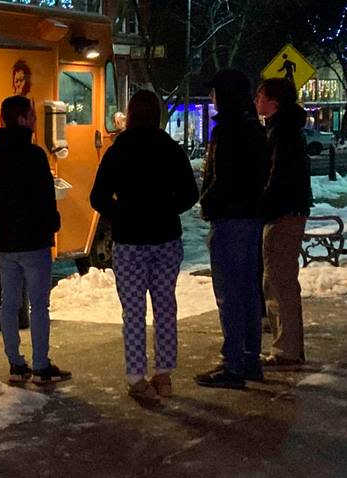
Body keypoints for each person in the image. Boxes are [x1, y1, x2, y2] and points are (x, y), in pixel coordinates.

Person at [90, 88, 199, 402]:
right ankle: (163, 375)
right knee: (165, 307)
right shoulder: (171, 149)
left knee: (134, 312)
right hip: (166, 239)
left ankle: (137, 377)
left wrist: (123, 212)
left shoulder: (118, 151)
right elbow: (191, 194)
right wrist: (166, 208)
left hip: (130, 242)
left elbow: (97, 197)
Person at [0, 95, 70, 385]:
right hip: (34, 242)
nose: (34, 119)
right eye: (30, 114)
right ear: (20, 119)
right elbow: (45, 199)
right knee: (38, 305)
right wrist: (51, 225)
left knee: (8, 303)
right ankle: (41, 365)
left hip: (5, 243)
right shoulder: (34, 156)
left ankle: (16, 364)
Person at [196, 68, 269, 389]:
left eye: (214, 92)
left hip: (230, 219)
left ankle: (234, 363)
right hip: (251, 218)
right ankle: (249, 358)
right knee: (249, 291)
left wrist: (207, 201)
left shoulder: (228, 130)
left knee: (230, 294)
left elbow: (223, 178)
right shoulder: (254, 129)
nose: (212, 98)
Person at [255, 77, 312, 369]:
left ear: (273, 101)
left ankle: (286, 349)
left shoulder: (282, 133)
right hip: (289, 211)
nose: (257, 101)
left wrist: (261, 207)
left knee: (279, 281)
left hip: (282, 214)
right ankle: (289, 346)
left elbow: (278, 179)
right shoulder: (285, 129)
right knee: (280, 280)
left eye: (261, 95)